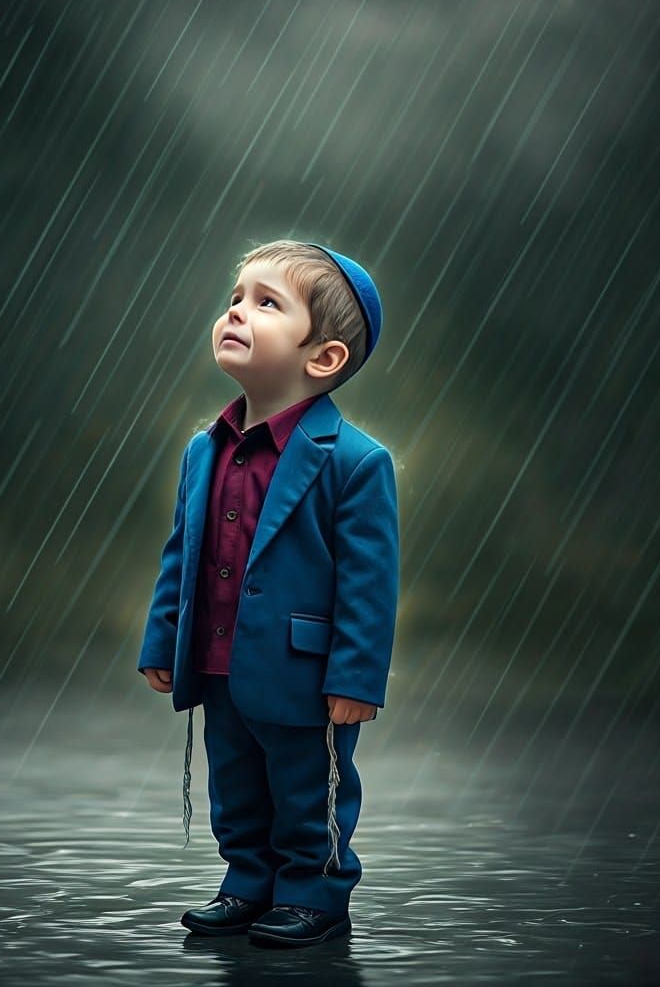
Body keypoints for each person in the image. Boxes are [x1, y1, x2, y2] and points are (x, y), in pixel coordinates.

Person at [137, 238, 399, 948]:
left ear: (323, 358)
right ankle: (248, 882)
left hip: (305, 672)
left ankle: (314, 894)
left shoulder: (354, 461)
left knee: (308, 791)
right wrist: (164, 638)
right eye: (235, 298)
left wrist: (357, 676)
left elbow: (370, 582)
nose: (237, 312)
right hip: (220, 663)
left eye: (266, 302)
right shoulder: (205, 449)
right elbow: (180, 555)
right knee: (238, 787)